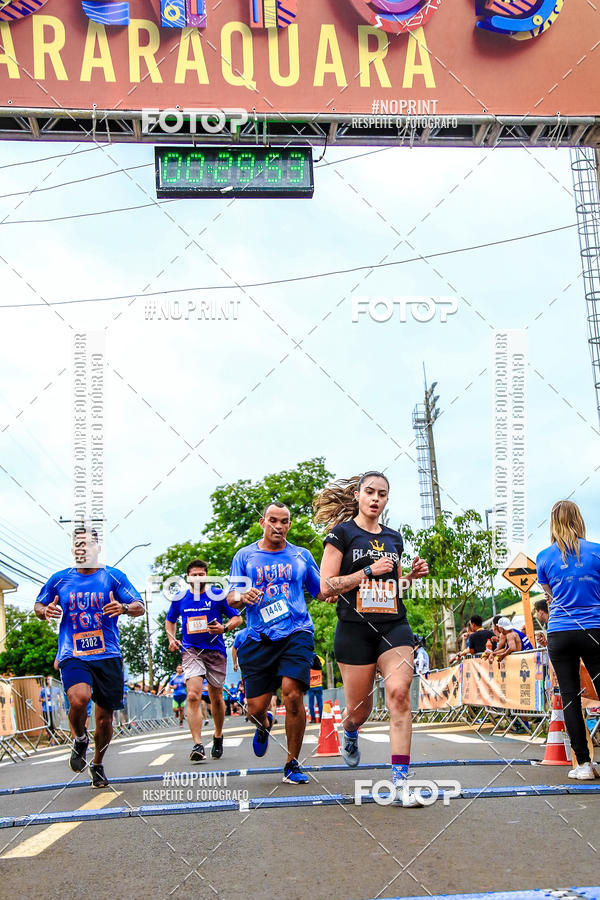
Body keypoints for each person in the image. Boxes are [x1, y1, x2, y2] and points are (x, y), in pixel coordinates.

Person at [315, 471, 429, 807]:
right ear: (359, 497)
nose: (375, 498)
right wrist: (366, 571)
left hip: (394, 626)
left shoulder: (394, 539)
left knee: (398, 694)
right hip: (354, 630)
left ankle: (400, 784)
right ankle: (349, 731)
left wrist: (409, 576)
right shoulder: (341, 534)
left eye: (382, 493)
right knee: (360, 712)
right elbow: (326, 587)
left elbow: (392, 589)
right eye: (370, 492)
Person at [226, 501, 332, 785]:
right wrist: (241, 597)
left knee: (292, 693)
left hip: (297, 631)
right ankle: (264, 724)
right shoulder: (245, 556)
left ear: (289, 524)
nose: (279, 526)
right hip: (259, 637)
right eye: (273, 520)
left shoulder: (300, 555)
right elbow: (230, 598)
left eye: (284, 521)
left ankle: (292, 763)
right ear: (263, 522)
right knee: (255, 707)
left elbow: (320, 590)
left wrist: (337, 591)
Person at [34, 526, 145, 787]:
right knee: (79, 698)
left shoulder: (113, 577)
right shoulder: (60, 579)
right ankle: (81, 738)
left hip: (107, 654)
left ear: (97, 548)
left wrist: (125, 607)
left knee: (105, 717)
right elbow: (38, 605)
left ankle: (97, 763)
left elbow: (139, 606)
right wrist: (45, 610)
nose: (81, 549)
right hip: (73, 653)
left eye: (86, 544)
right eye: (77, 545)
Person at [536, 500, 600, 780]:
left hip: (560, 630)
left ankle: (584, 764)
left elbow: (549, 595)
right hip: (594, 628)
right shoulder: (597, 552)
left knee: (571, 696)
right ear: (579, 519)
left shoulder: (544, 557)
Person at [165, 559, 242, 762]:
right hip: (191, 650)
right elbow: (170, 620)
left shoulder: (217, 594)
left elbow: (237, 618)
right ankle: (198, 744)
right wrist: (171, 638)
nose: (198, 578)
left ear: (206, 575)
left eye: (201, 574)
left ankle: (217, 734)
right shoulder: (180, 598)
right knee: (193, 695)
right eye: (194, 575)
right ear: (188, 577)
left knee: (216, 697)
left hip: (215, 650)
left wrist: (224, 628)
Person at [307, 653, 324, 724]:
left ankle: (313, 719)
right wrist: (315, 655)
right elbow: (322, 660)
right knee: (320, 703)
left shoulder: (308, 667)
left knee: (311, 704)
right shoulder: (320, 666)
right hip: (319, 686)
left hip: (310, 687)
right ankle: (321, 718)